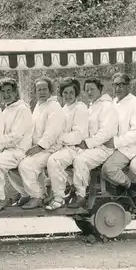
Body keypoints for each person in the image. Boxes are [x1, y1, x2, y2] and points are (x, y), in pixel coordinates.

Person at [8, 76, 65, 209]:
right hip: (36, 147)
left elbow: (53, 131)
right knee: (12, 167)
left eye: (45, 89)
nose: (42, 92)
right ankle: (29, 193)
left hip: (51, 149)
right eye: (39, 89)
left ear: (50, 90)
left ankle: (37, 196)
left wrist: (39, 147)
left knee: (26, 166)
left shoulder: (54, 106)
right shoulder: (38, 106)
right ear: (35, 91)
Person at [67, 78, 118, 208]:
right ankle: (75, 186)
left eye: (92, 89)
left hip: (104, 148)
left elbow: (106, 133)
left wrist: (87, 143)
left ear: (100, 90)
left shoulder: (107, 106)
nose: (89, 92)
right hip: (91, 147)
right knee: (66, 157)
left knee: (80, 160)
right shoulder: (92, 106)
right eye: (87, 90)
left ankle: (81, 195)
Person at [0, 78, 33, 213]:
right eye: (3, 92)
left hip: (20, 150)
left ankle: (1, 198)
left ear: (15, 92)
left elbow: (16, 136)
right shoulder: (6, 110)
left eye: (9, 91)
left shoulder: (22, 109)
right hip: (8, 149)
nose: (6, 95)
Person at [45, 77, 89, 210]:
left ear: (76, 93)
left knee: (54, 161)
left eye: (71, 92)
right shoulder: (64, 108)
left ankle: (59, 199)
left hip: (75, 147)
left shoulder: (80, 108)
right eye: (65, 93)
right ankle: (50, 193)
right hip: (63, 145)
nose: (68, 96)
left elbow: (78, 135)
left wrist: (59, 138)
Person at [101, 73, 136, 199]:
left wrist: (116, 142)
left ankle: (134, 188)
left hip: (129, 147)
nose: (118, 88)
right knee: (96, 166)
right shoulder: (113, 102)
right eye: (115, 85)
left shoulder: (135, 103)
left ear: (128, 86)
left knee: (108, 169)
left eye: (121, 85)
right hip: (113, 146)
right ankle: (121, 191)